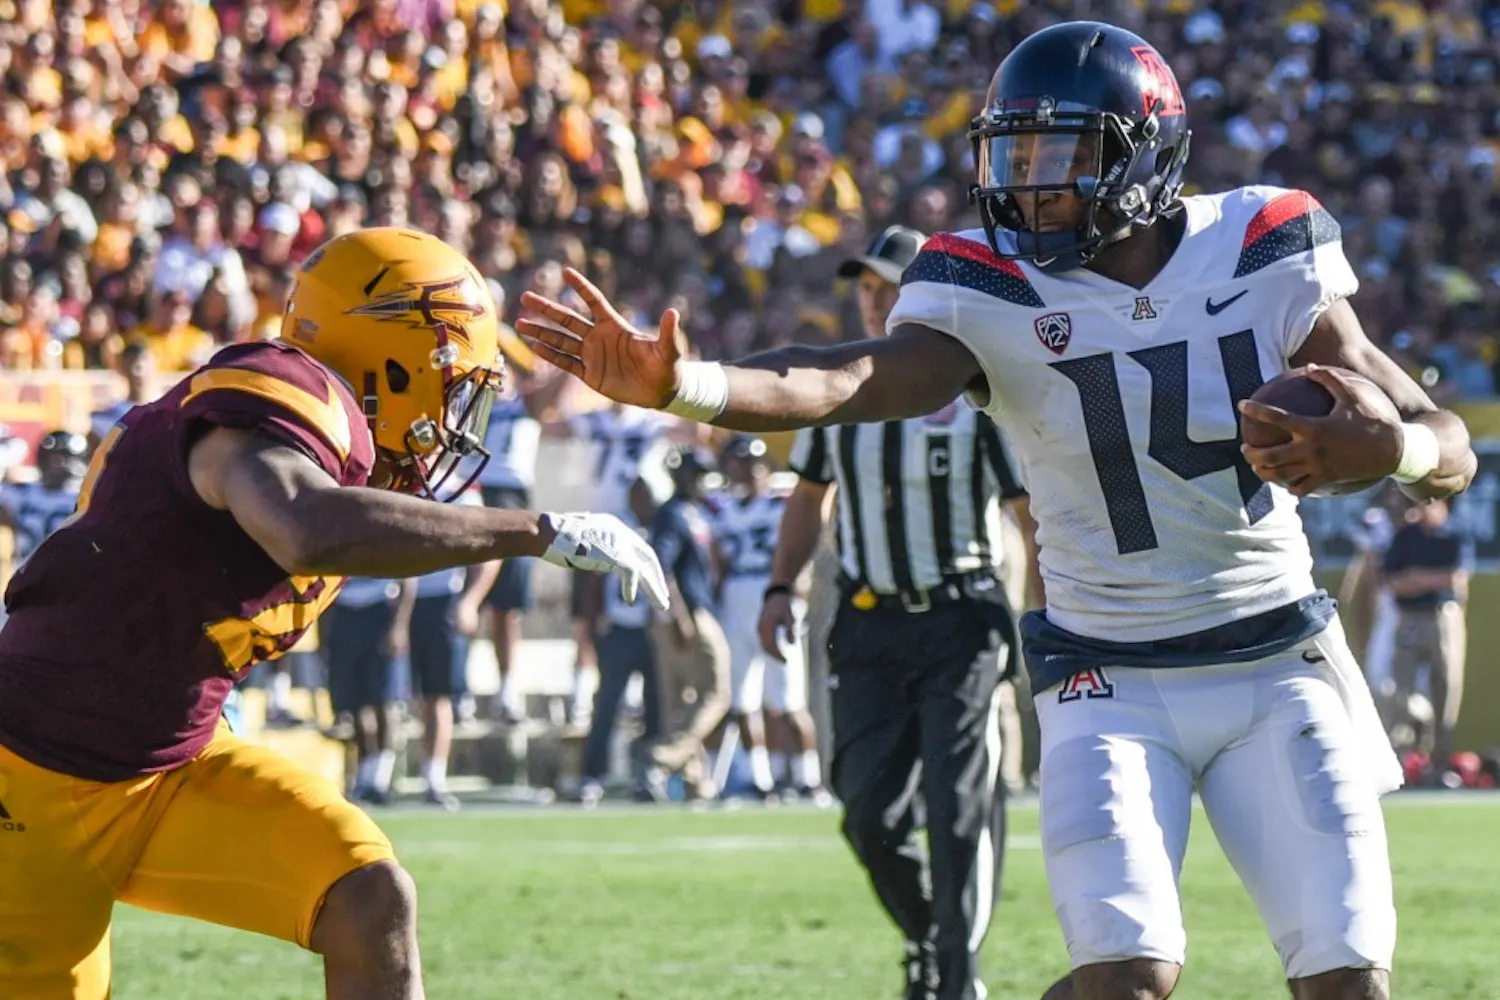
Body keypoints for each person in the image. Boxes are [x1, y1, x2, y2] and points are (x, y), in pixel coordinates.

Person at [516, 21, 1478, 1000]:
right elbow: (851, 378)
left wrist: (1396, 449)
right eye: (1010, 155)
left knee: (1349, 982)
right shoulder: (982, 283)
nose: (1027, 184)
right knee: (1125, 977)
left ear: (1141, 152)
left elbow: (1446, 442)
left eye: (1057, 156)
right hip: (1105, 675)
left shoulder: (1267, 241)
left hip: (1279, 663)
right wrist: (698, 384)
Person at [0, 227, 667, 1000]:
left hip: (168, 766)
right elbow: (306, 528)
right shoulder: (277, 395)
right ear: (391, 354)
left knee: (368, 897)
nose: (453, 416)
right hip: (34, 778)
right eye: (451, 381)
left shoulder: (326, 442)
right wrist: (540, 531)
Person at [765, 224, 1026, 1000]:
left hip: (962, 616)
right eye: (866, 285)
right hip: (870, 621)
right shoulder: (841, 384)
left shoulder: (973, 381)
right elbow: (809, 499)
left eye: (887, 282)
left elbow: (1028, 513)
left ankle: (957, 975)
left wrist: (1050, 619)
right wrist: (782, 588)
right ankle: (930, 936)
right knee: (867, 816)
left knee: (955, 809)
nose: (873, 296)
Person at [711, 434, 825, 802]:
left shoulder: (783, 502)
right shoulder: (721, 508)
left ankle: (809, 777)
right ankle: (763, 778)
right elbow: (719, 561)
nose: (749, 470)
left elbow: (803, 551)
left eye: (754, 463)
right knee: (743, 697)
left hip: (773, 592)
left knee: (789, 698)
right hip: (737, 596)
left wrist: (797, 597)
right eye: (741, 463)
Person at [644, 445, 731, 801]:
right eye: (695, 474)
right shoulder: (673, 513)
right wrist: (677, 614)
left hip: (690, 611)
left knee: (682, 701)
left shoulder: (697, 512)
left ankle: (695, 782)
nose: (700, 481)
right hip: (686, 613)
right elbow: (661, 566)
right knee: (717, 693)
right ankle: (661, 759)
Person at [1382, 496, 1471, 779]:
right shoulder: (1405, 537)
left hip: (1443, 617)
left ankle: (1441, 764)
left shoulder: (1455, 535)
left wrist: (1416, 578)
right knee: (1401, 690)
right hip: (1410, 619)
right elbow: (1394, 582)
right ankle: (1402, 763)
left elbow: (1455, 579)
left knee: (1446, 687)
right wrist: (1427, 579)